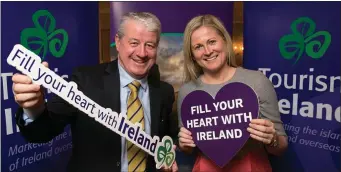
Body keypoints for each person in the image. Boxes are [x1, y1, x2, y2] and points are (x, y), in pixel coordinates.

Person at [12, 12, 178, 172]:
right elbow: (43, 131)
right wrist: (34, 109)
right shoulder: (85, 81)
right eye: (134, 43)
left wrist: (166, 159)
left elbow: (163, 141)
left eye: (150, 45)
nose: (142, 53)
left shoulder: (164, 92)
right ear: (118, 42)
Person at [177, 14, 288, 172]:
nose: (207, 51)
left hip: (251, 166)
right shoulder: (187, 91)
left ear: (224, 41)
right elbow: (188, 149)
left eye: (212, 41)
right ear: (192, 55)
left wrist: (272, 139)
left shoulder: (257, 81)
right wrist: (184, 144)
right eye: (198, 47)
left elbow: (281, 148)